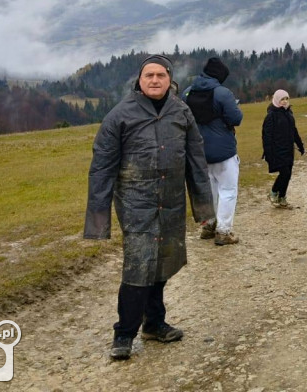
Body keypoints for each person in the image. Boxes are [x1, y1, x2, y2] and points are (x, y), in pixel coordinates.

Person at [84, 54, 214, 361]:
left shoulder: (181, 111)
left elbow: (196, 160)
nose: (154, 80)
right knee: (139, 264)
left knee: (163, 263)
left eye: (160, 75)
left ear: (170, 79)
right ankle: (124, 333)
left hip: (171, 202)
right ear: (139, 81)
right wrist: (98, 218)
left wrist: (204, 208)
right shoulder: (120, 115)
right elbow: (102, 167)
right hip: (135, 203)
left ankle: (154, 323)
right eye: (148, 75)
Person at [183, 57, 244, 246]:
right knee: (227, 190)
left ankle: (208, 225)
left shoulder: (187, 93)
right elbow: (236, 118)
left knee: (208, 191)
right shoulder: (222, 93)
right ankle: (224, 231)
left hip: (197, 153)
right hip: (223, 152)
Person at [261, 89, 305, 208]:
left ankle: (282, 197)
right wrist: (268, 154)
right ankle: (273, 192)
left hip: (288, 150)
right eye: (282, 99)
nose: (285, 101)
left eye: (286, 99)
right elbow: (266, 137)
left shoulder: (289, 113)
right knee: (284, 172)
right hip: (277, 151)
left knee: (288, 174)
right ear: (276, 100)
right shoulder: (271, 116)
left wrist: (300, 145)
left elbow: (294, 131)